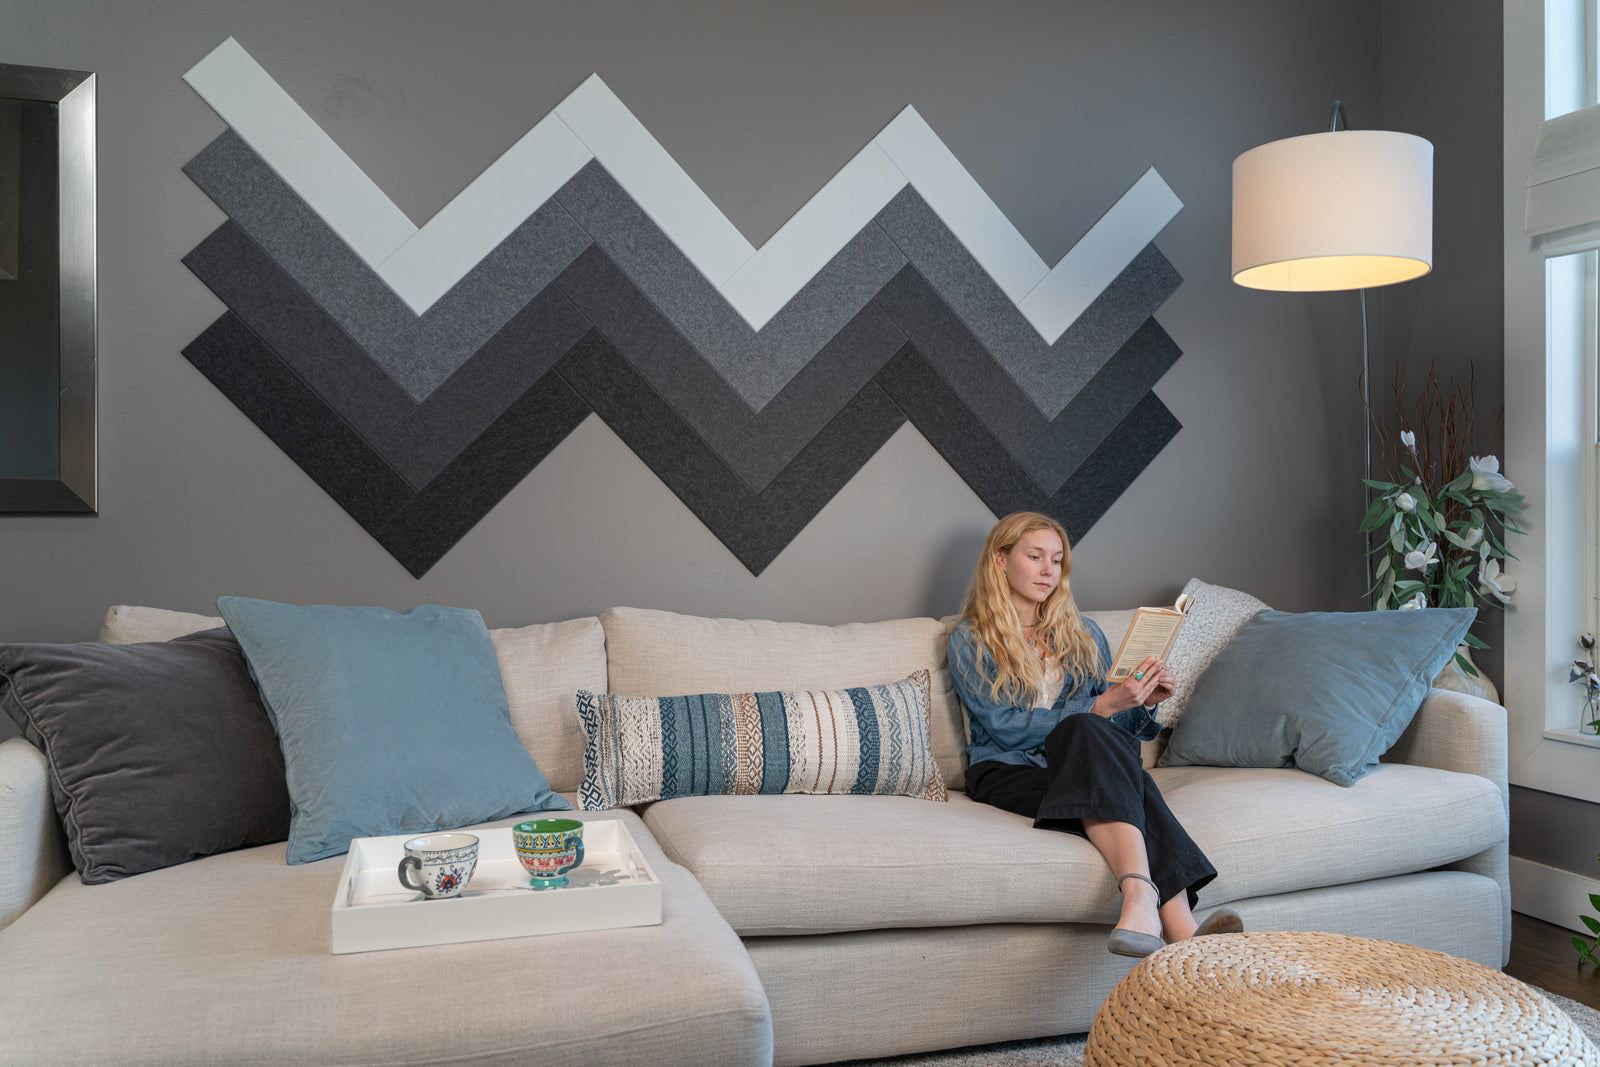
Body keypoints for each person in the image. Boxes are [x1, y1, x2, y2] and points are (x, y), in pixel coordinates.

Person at [947, 511, 1242, 957]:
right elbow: (1004, 728)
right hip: (1005, 771)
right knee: (1106, 750)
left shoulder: (1084, 634)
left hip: (1079, 763)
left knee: (1096, 739)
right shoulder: (970, 639)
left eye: (1058, 560)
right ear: (1001, 560)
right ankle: (1177, 923)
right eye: (1035, 557)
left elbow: (1109, 728)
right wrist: (1100, 706)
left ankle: (1152, 913)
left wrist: (1142, 700)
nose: (1050, 570)